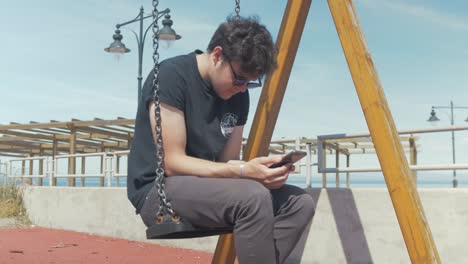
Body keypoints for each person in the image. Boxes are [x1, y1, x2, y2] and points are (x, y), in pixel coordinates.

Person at [128, 16, 315, 264]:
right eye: (239, 79)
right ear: (217, 55)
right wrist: (242, 171)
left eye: (251, 83)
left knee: (299, 203)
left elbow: (228, 163)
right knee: (252, 196)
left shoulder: (240, 96)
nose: (242, 87)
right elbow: (172, 163)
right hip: (159, 191)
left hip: (204, 189)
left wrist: (257, 171)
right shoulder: (170, 76)